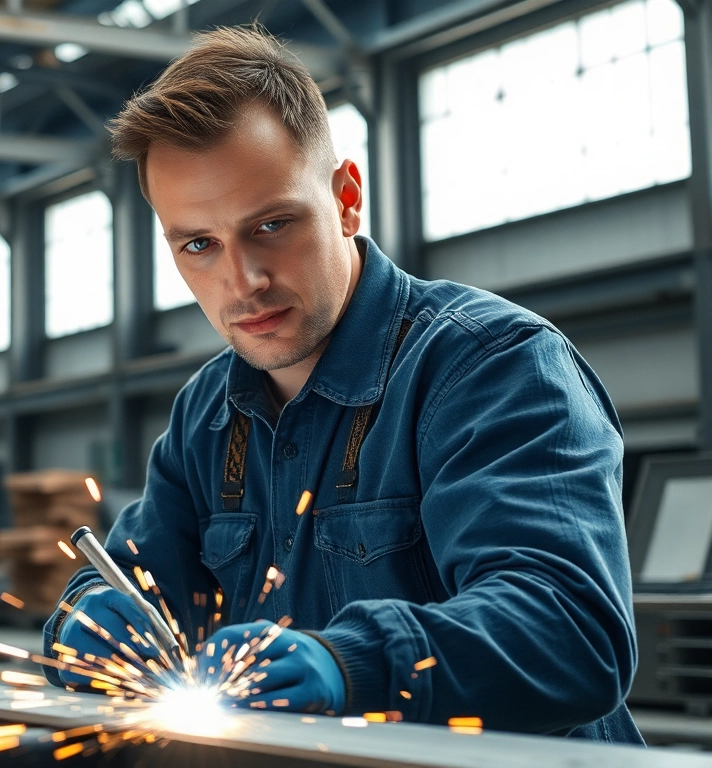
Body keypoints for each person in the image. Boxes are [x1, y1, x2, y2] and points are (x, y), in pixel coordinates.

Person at [42, 25, 641, 744]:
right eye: (198, 244)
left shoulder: (494, 366)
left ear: (346, 198)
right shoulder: (207, 414)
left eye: (271, 225)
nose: (244, 280)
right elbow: (136, 580)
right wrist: (86, 617)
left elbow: (572, 632)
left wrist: (351, 663)